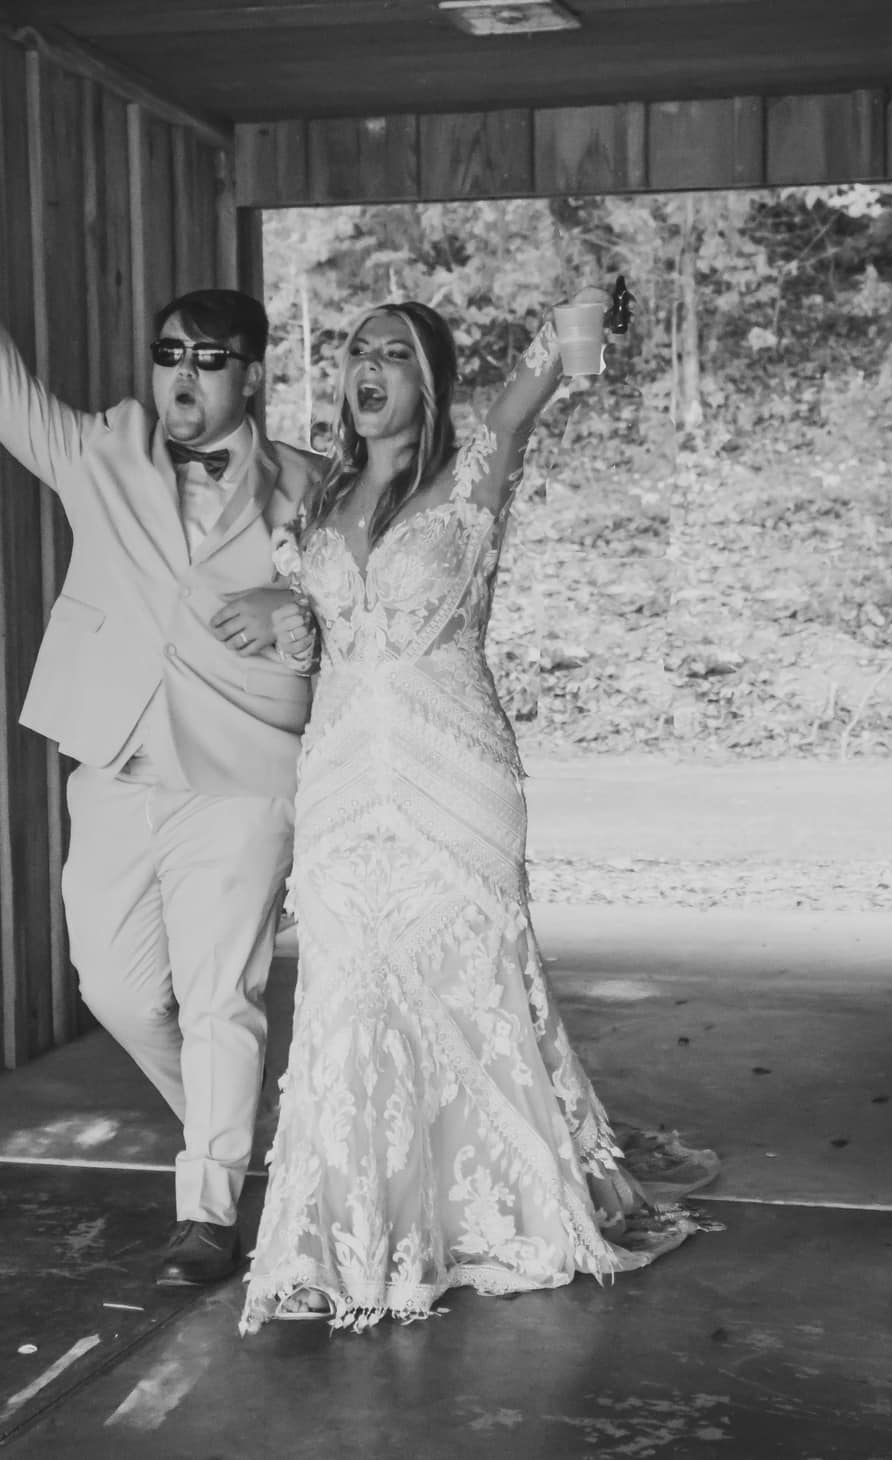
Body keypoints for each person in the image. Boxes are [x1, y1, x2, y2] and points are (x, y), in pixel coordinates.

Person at [240, 293, 713, 1334]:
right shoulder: (317, 498)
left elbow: (531, 387)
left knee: (465, 985)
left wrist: (584, 315)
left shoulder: (473, 475)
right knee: (346, 996)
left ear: (429, 381)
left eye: (395, 354)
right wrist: (287, 618)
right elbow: (309, 619)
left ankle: (484, 1216)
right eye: (357, 353)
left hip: (454, 773)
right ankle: (348, 1235)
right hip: (338, 779)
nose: (369, 368)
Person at [0, 175, 318, 1288]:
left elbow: (371, 608)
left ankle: (208, 1210)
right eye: (169, 353)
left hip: (239, 775)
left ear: (252, 375)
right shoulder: (104, 450)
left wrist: (296, 605)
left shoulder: (309, 491)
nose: (182, 375)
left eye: (209, 359)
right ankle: (249, 1146)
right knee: (116, 990)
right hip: (114, 765)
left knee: (222, 995)